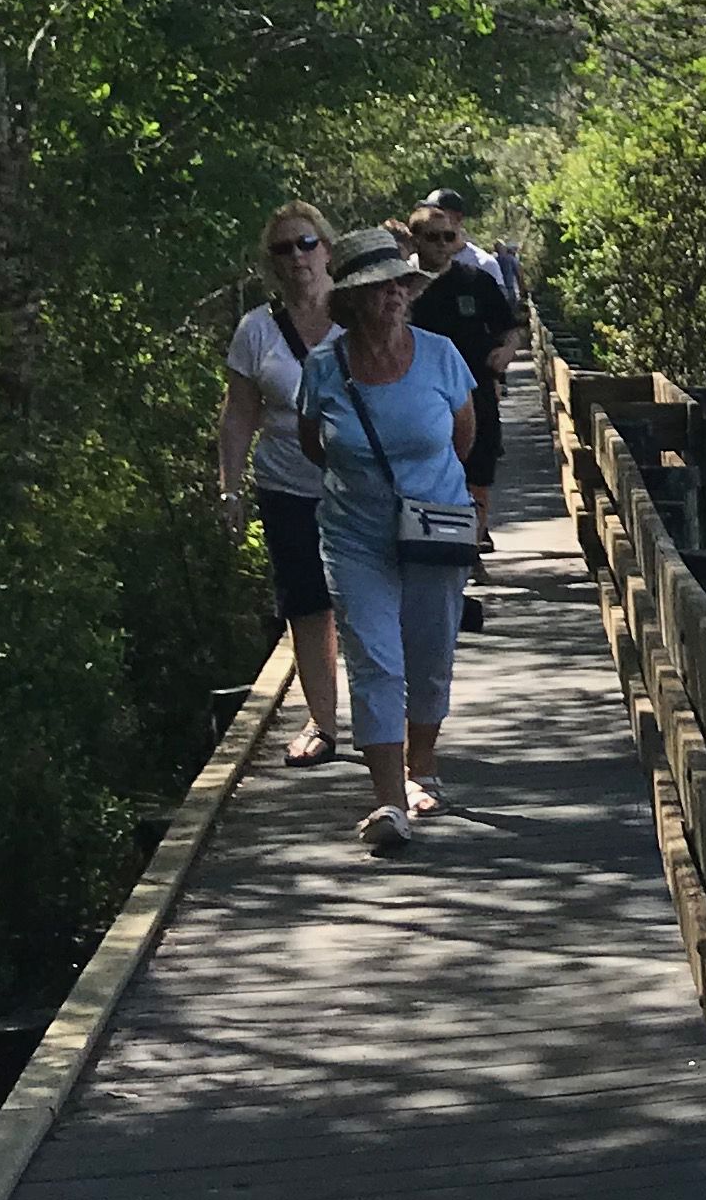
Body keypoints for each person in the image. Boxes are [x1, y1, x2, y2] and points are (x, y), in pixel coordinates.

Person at [296, 222, 479, 851]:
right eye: (379, 289)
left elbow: (463, 438)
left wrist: (426, 493)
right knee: (375, 659)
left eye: (400, 284)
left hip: (435, 526)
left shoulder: (440, 355)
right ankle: (389, 803)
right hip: (354, 533)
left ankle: (420, 767)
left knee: (429, 656)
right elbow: (313, 443)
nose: (394, 296)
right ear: (349, 301)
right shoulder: (323, 367)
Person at [215, 202, 346, 765]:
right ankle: (323, 722)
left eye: (306, 244)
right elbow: (239, 412)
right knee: (307, 603)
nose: (297, 257)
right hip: (287, 484)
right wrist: (230, 487)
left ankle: (395, 725)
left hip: (359, 484)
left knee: (369, 604)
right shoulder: (257, 330)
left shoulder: (359, 313)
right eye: (283, 249)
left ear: (328, 249)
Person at [404, 193, 519, 632]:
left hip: (475, 392)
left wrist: (505, 354)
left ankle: (469, 552)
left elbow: (510, 325)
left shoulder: (476, 281)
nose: (440, 244)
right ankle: (436, 556)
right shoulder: (404, 288)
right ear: (415, 240)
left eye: (448, 236)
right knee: (431, 478)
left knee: (478, 476)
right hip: (419, 401)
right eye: (431, 237)